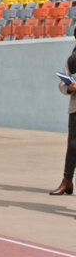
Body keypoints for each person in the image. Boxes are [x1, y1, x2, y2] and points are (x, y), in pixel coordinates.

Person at [48, 50, 76, 195]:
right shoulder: (72, 60)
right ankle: (67, 181)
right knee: (72, 145)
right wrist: (69, 88)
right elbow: (62, 83)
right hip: (75, 108)